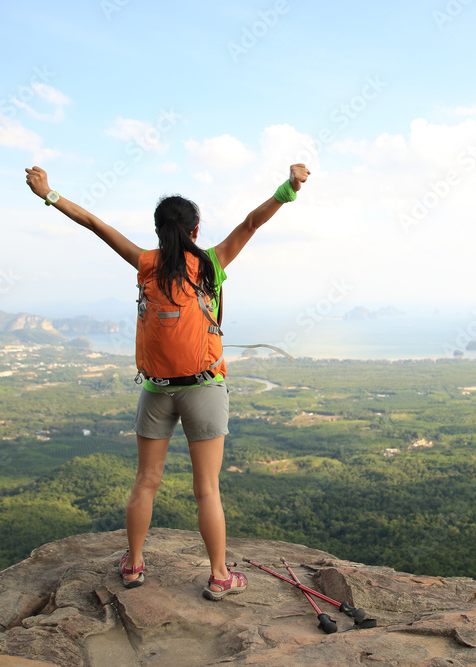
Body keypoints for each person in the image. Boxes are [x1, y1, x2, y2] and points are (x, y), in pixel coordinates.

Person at [24, 163, 310, 599]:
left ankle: (135, 565)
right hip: (204, 388)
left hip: (157, 389)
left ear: (159, 231)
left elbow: (94, 223)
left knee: (146, 481)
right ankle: (218, 576)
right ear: (196, 228)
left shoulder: (145, 263)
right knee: (206, 488)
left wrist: (48, 193)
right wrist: (289, 187)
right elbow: (252, 222)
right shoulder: (212, 263)